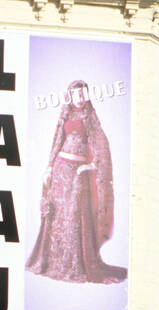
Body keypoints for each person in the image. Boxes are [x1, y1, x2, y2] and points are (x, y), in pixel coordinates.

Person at [26, 80, 128, 285]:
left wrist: (90, 166)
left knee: (73, 218)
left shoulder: (90, 117)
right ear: (69, 96)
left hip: (78, 174)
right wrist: (48, 167)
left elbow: (101, 146)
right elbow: (57, 141)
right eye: (75, 95)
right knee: (57, 217)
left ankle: (73, 266)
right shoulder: (64, 115)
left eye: (83, 94)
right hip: (60, 171)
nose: (79, 99)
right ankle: (51, 264)